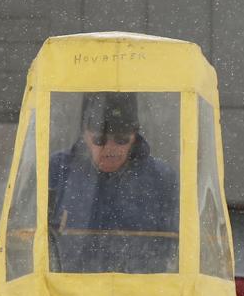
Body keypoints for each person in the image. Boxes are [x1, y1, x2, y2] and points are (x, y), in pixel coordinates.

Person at [48, 92, 178, 272]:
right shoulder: (56, 172)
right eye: (100, 140)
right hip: (68, 295)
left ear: (134, 136)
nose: (110, 149)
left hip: (143, 294)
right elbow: (20, 239)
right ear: (84, 136)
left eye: (121, 140)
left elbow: (180, 249)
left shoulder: (163, 180)